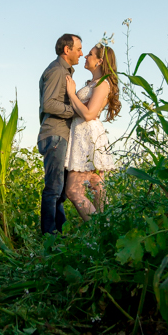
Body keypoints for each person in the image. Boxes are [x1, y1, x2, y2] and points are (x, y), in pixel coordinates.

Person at [63, 44, 120, 221]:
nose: (85, 56)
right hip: (84, 135)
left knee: (73, 191)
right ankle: (106, 232)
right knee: (97, 189)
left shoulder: (103, 84)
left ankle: (99, 230)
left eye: (90, 54)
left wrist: (72, 94)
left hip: (89, 137)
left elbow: (89, 114)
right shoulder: (94, 83)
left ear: (100, 61)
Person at [37, 33, 82, 235]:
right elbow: (48, 103)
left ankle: (59, 232)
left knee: (60, 191)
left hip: (60, 134)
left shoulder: (65, 71)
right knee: (53, 189)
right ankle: (48, 235)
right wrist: (74, 111)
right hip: (54, 134)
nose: (81, 53)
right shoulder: (56, 70)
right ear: (67, 50)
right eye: (78, 49)